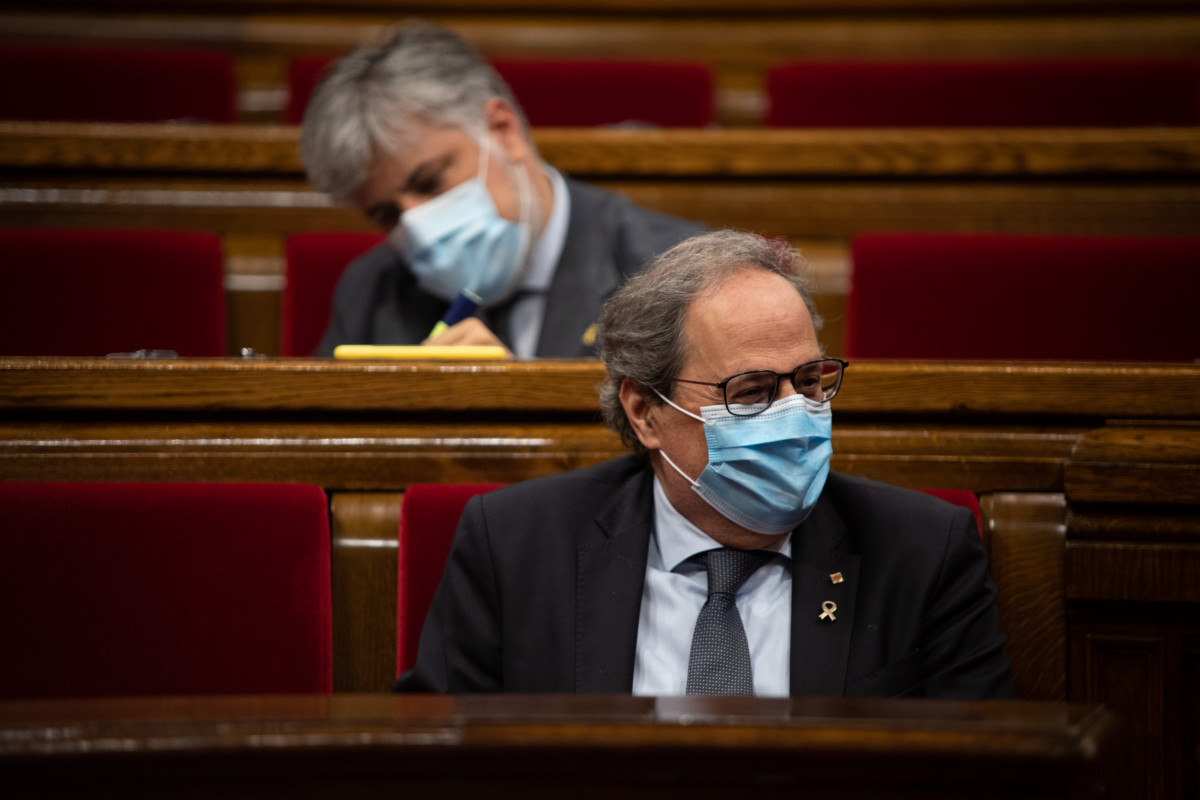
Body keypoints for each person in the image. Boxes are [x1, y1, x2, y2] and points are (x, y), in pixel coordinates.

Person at [394, 230, 1014, 698]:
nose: (796, 415)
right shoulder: (515, 546)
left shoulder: (922, 551)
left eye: (810, 381)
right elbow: (438, 767)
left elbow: (987, 779)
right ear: (645, 412)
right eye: (751, 393)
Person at [300, 21, 703, 358]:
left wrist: (511, 399)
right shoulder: (373, 289)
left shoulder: (672, 274)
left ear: (502, 130)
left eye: (431, 182)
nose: (419, 227)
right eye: (388, 215)